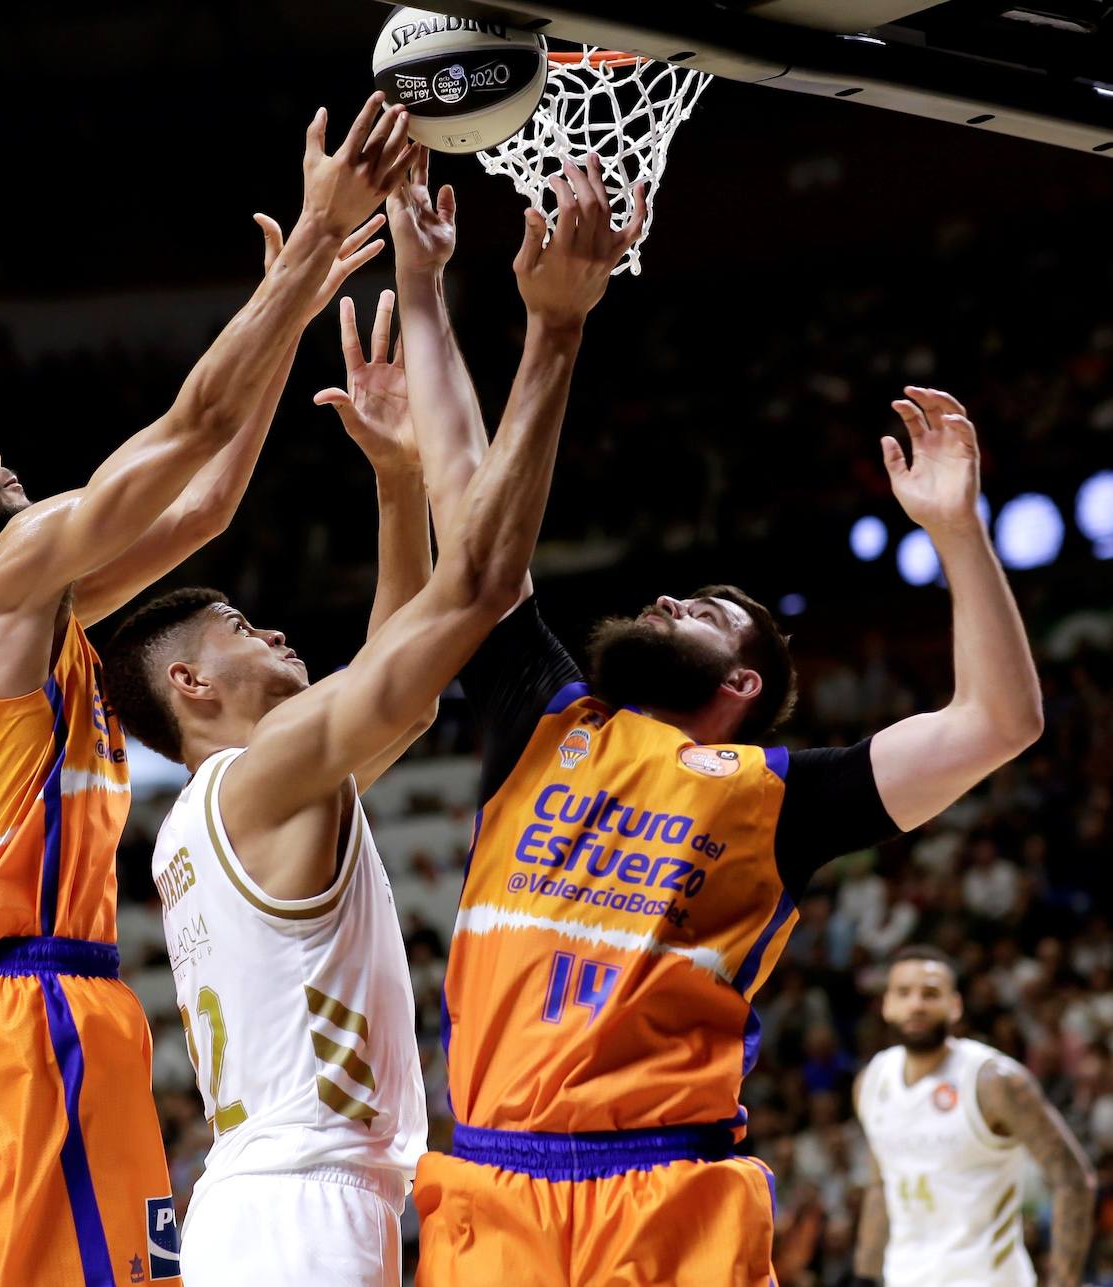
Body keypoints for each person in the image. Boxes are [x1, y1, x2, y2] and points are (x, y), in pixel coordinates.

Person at [0, 92, 415, 1287]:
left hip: (50, 1005)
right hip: (31, 1003)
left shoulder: (0, 619)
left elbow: (205, 500)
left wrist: (295, 312)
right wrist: (307, 254)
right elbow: (187, 422)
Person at [385, 153, 1048, 1284]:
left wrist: (957, 535)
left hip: (662, 1186)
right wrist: (424, 289)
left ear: (742, 682)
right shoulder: (546, 712)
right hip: (493, 1184)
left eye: (706, 613)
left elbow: (998, 719)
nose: (667, 600)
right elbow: (468, 500)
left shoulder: (777, 792)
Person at [99, 163, 644, 1286]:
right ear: (193, 687)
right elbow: (480, 591)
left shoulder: (225, 813)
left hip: (270, 1201)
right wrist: (548, 335)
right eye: (244, 626)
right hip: (301, 1213)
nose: (280, 634)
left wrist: (398, 485)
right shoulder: (265, 779)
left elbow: (395, 682)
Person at [853, 945, 1095, 1287]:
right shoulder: (872, 1080)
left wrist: (1064, 1281)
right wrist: (864, 1274)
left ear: (955, 1006)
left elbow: (1073, 1178)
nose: (916, 1004)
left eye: (931, 993)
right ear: (887, 1006)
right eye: (904, 993)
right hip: (902, 1277)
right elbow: (880, 1184)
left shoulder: (995, 1081)